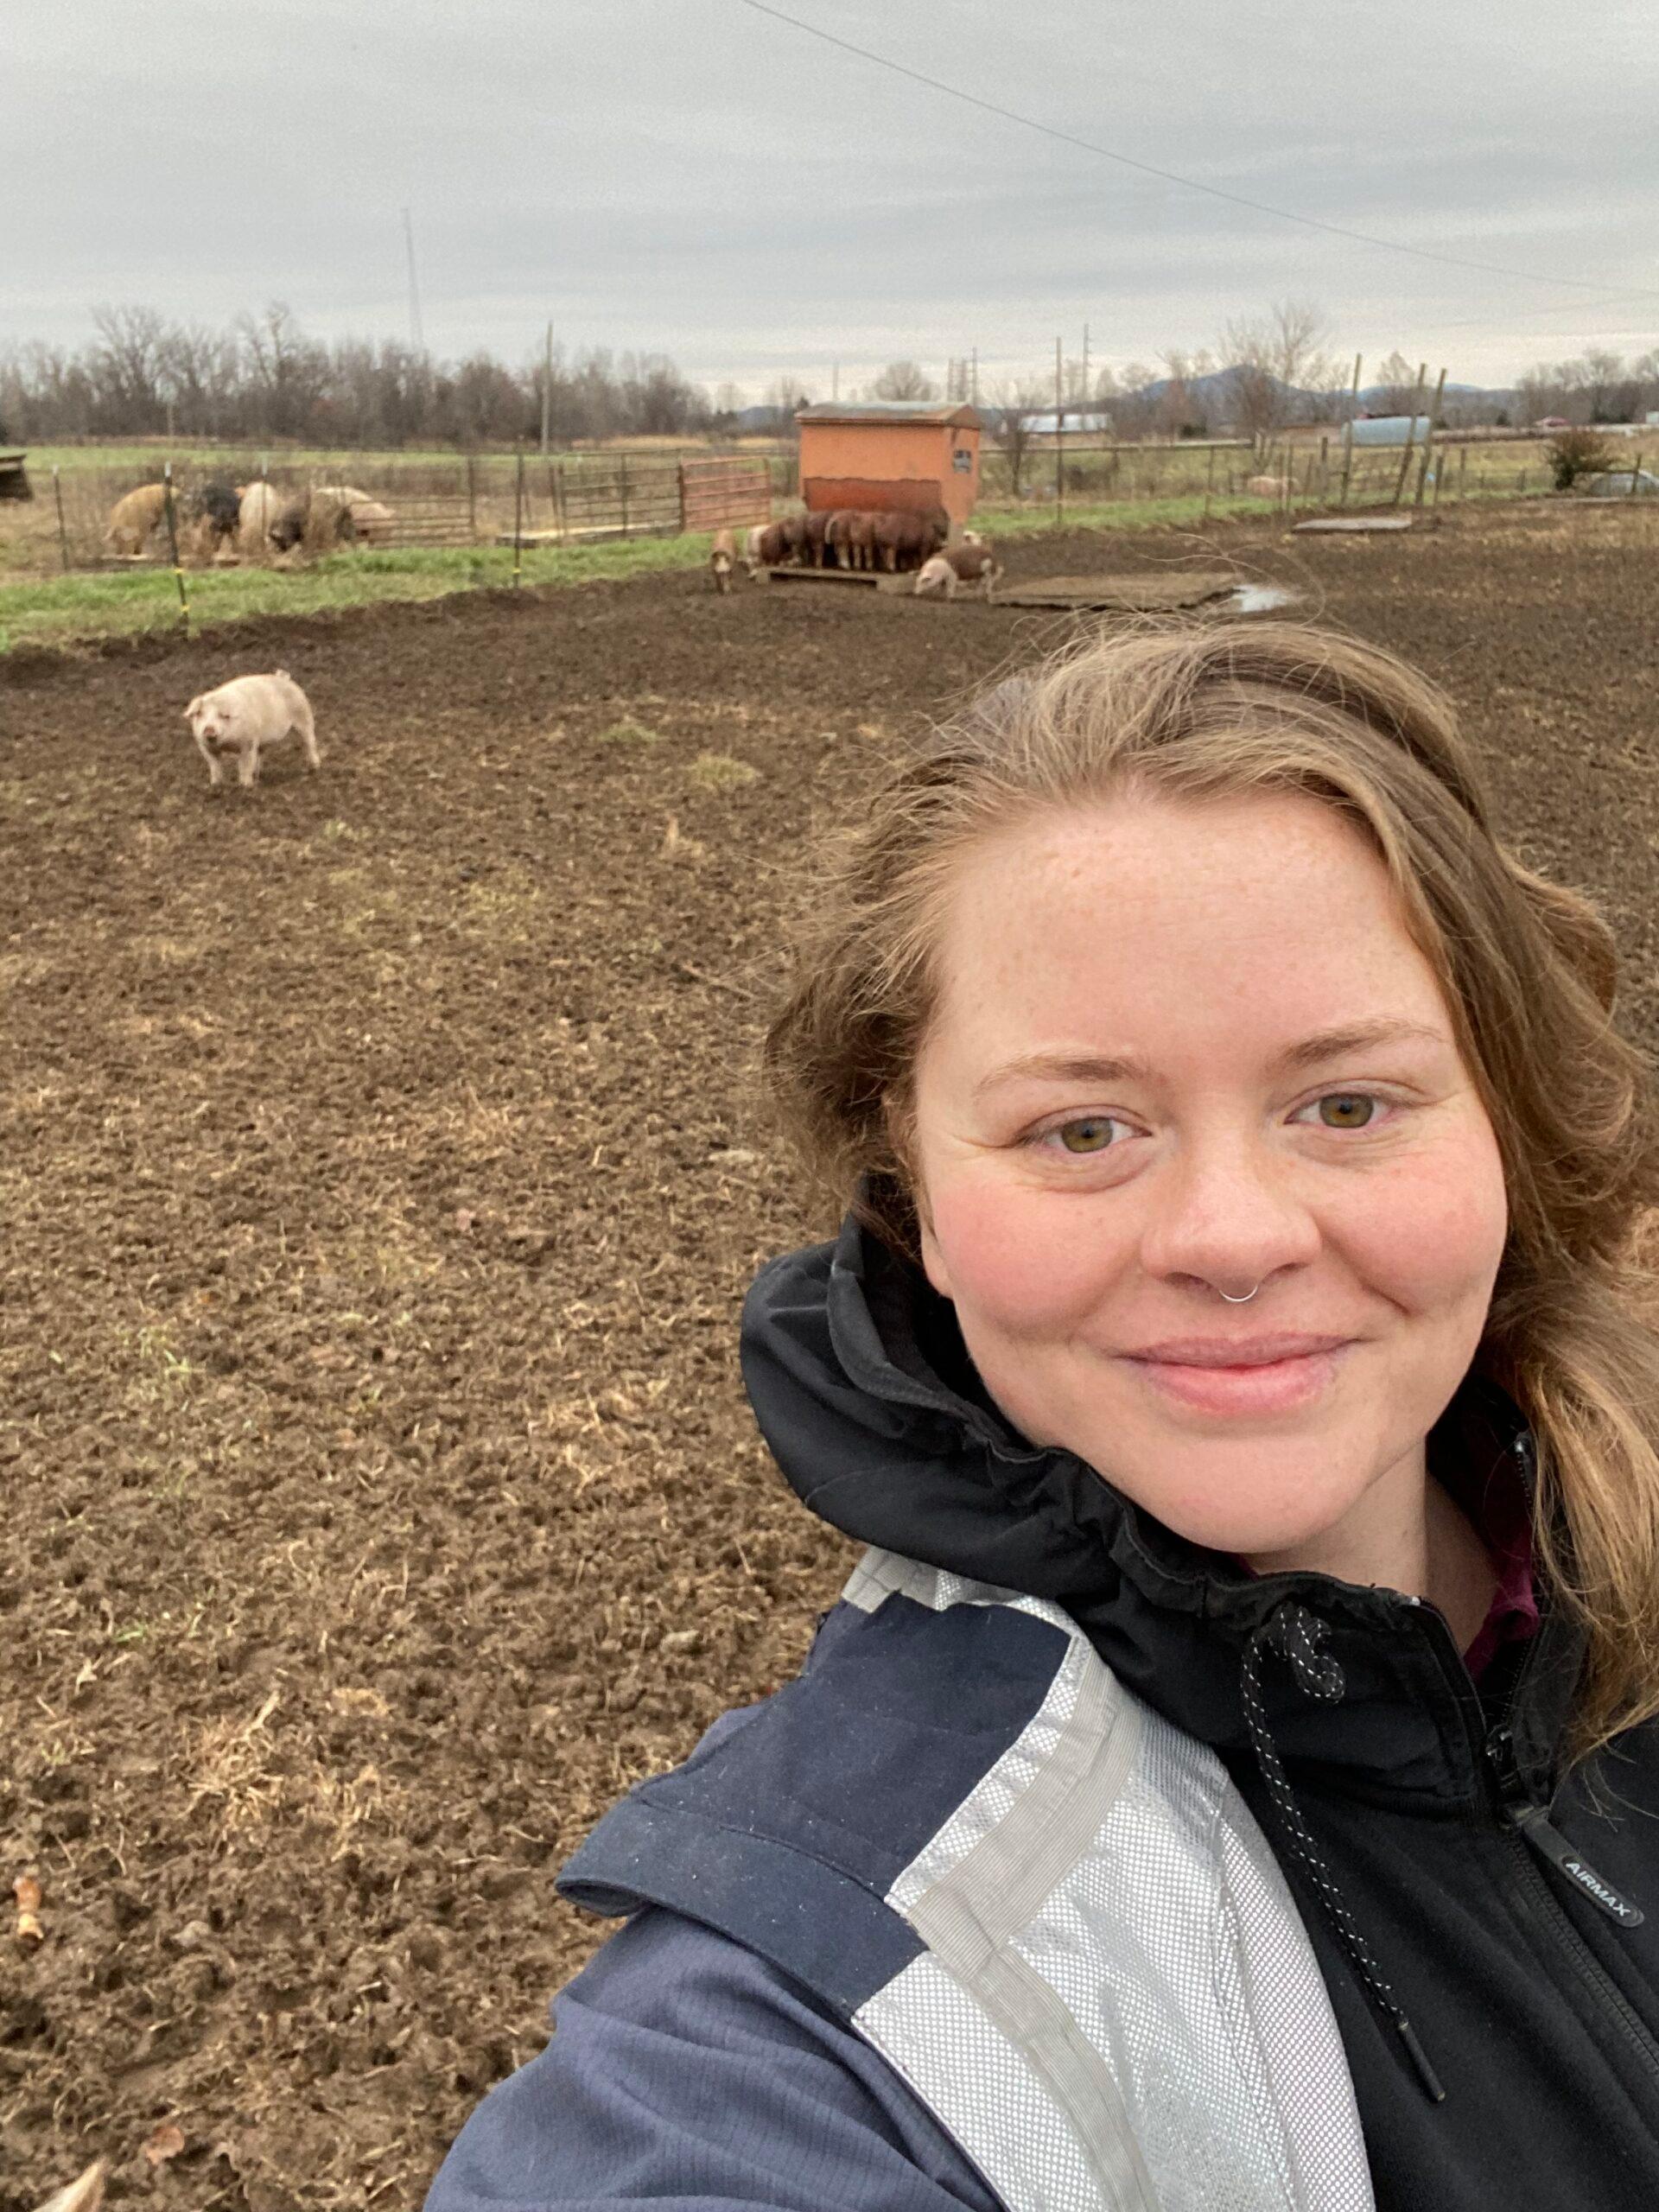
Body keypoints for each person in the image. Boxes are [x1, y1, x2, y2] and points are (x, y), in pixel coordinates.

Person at [426, 624, 1659, 2212]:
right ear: (914, 1189)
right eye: (1083, 1128)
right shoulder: (823, 2007)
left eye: (1347, 1104)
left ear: (1500, 1115)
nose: (1232, 1235)